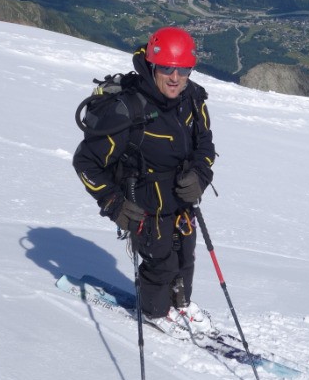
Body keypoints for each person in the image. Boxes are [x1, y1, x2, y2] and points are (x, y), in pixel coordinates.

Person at [73, 26, 217, 333]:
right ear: (153, 64)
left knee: (185, 254)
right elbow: (86, 162)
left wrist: (201, 175)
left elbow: (205, 143)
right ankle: (155, 312)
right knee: (160, 261)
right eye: (167, 68)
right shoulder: (128, 110)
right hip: (143, 206)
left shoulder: (191, 99)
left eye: (183, 70)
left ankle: (180, 304)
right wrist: (114, 203)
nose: (175, 78)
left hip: (180, 201)